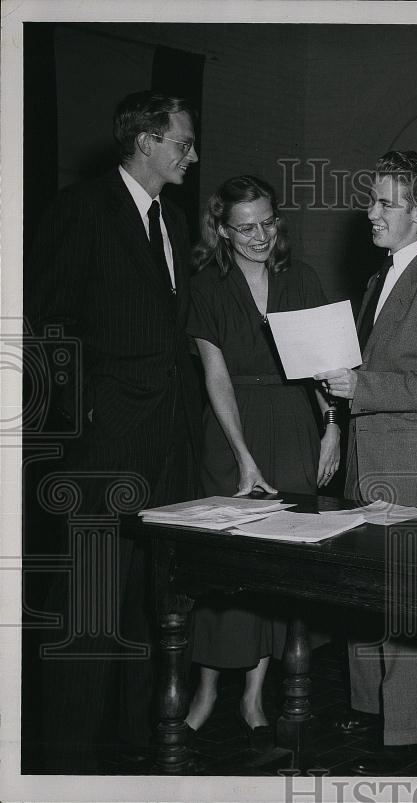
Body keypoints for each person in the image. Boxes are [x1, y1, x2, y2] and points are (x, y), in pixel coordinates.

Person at [25, 90, 203, 772]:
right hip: (106, 443)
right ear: (146, 142)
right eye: (183, 142)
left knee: (147, 600)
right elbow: (48, 322)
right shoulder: (81, 209)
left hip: (168, 439)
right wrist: (84, 419)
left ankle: (134, 743)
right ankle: (65, 762)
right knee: (89, 601)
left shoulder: (173, 219)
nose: (193, 154)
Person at [182, 175, 339, 747]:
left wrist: (331, 427)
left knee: (280, 562)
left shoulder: (303, 278)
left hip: (294, 424)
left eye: (268, 222)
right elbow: (215, 376)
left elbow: (324, 367)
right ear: (222, 230)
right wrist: (243, 458)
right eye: (245, 227)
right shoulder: (206, 285)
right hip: (232, 428)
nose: (259, 236)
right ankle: (205, 691)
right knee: (224, 563)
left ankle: (253, 695)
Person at [315, 150, 417, 776]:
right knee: (364, 593)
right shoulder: (378, 279)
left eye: (386, 203)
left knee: (406, 601)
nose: (371, 212)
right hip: (367, 459)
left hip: (411, 466)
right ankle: (370, 713)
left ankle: (411, 735)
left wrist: (358, 386)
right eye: (372, 199)